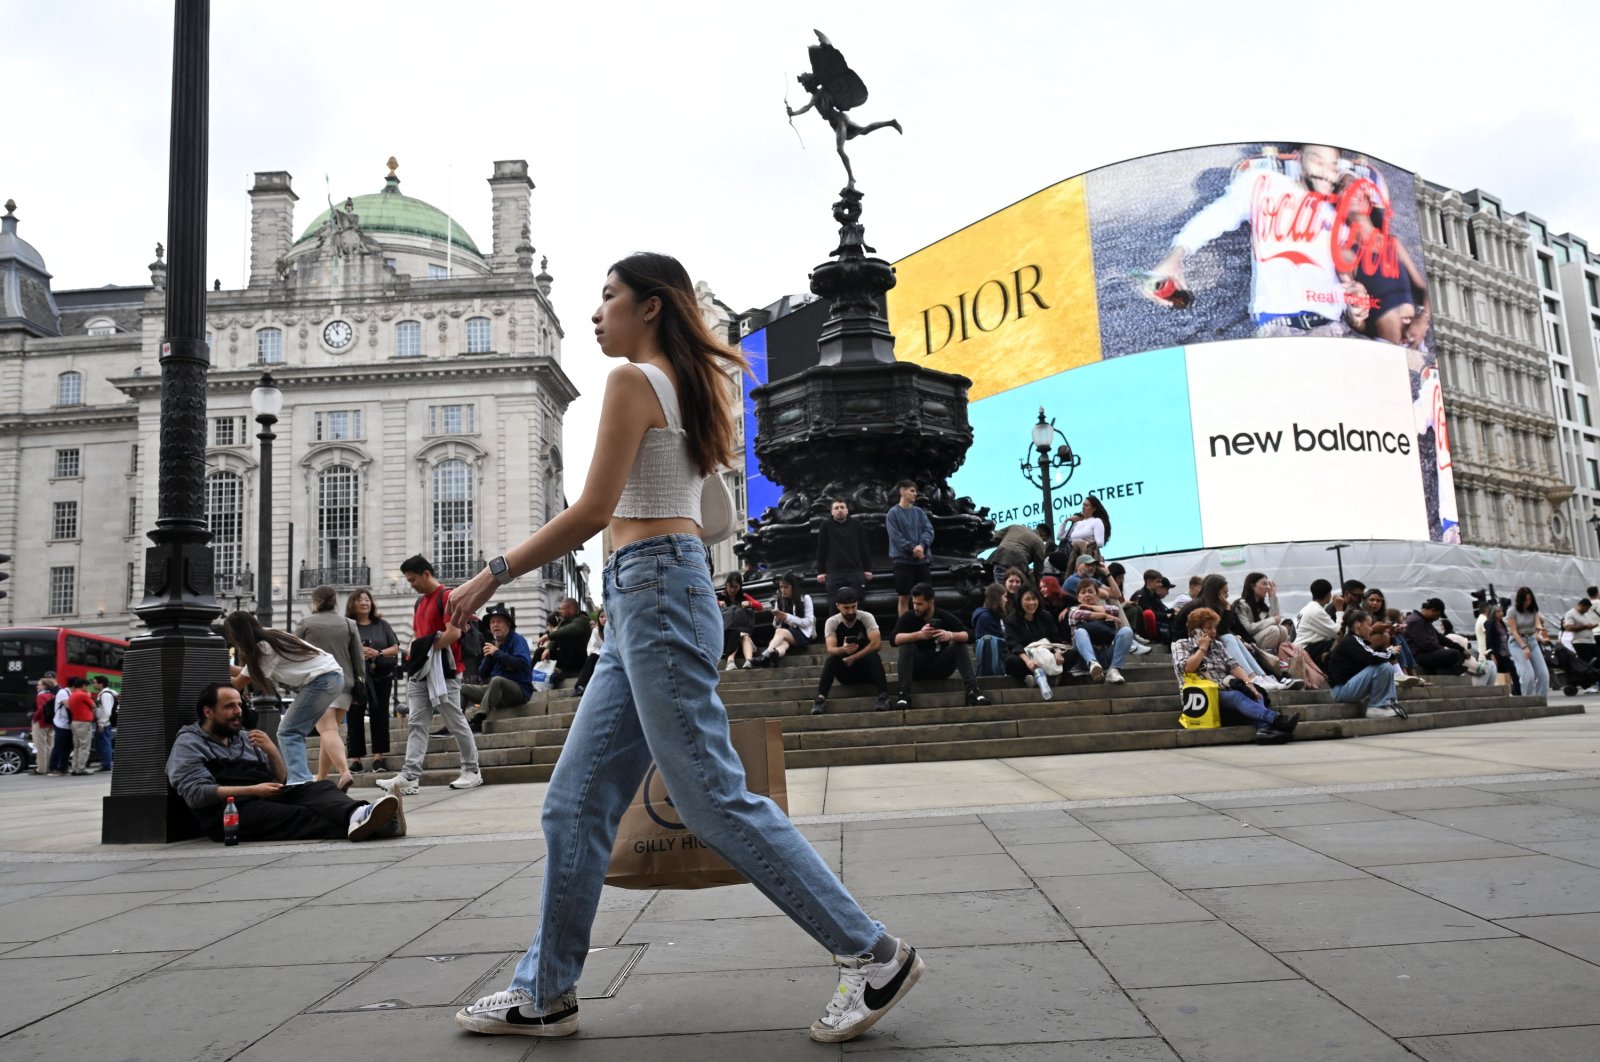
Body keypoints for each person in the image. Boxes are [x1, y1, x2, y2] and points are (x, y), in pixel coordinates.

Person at [443, 253, 921, 1043]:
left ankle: (873, 954)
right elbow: (707, 515)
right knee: (574, 801)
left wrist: (492, 572)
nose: (597, 314)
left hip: (656, 590)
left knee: (708, 795)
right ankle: (546, 990)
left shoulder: (635, 382)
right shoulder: (693, 388)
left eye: (608, 298)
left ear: (653, 306)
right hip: (654, 594)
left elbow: (597, 508)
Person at [166, 682, 403, 843]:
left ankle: (359, 813)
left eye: (239, 704)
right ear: (208, 712)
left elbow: (280, 779)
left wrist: (272, 752)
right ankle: (381, 825)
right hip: (229, 812)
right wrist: (253, 790)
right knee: (298, 815)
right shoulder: (189, 743)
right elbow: (196, 793)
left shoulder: (244, 738)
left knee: (320, 787)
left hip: (262, 795)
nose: (238, 711)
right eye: (229, 706)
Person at [377, 555, 484, 795]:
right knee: (417, 722)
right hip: (423, 670)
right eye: (408, 580)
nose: (411, 584)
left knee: (454, 719)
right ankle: (410, 776)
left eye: (413, 579)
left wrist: (423, 650)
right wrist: (420, 649)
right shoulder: (420, 603)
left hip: (444, 670)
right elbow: (423, 635)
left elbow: (453, 633)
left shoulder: (447, 597)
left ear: (426, 573)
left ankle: (472, 769)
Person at [221, 610, 346, 787]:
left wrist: (210, 667)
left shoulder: (263, 648)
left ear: (237, 634)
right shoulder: (270, 637)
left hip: (322, 680)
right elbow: (244, 674)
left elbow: (238, 684)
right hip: (331, 677)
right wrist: (220, 664)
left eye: (232, 636)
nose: (232, 641)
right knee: (295, 731)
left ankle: (300, 782)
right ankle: (302, 780)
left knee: (289, 731)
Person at [1173, 608, 1298, 742]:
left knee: (1255, 693)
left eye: (1214, 627)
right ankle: (1277, 719)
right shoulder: (1181, 645)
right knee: (1235, 696)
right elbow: (1187, 667)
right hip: (1202, 695)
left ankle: (1264, 729)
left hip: (1224, 690)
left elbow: (1233, 666)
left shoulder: (1218, 645)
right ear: (1196, 631)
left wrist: (1250, 685)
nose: (1214, 631)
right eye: (1209, 628)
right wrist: (1202, 648)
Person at [294, 584, 365, 791]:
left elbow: (294, 654)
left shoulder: (306, 623)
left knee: (327, 729)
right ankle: (323, 777)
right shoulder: (349, 624)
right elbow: (358, 659)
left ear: (315, 602)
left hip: (318, 683)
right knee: (330, 730)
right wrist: (360, 682)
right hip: (345, 684)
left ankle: (344, 772)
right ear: (336, 601)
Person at [891, 581, 988, 710]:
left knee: (959, 645)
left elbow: (970, 636)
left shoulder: (943, 615)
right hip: (917, 668)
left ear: (931, 602)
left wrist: (950, 635)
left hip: (940, 666)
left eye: (919, 604)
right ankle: (904, 695)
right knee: (906, 645)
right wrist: (919, 635)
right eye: (914, 603)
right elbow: (893, 640)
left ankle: (973, 691)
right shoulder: (909, 617)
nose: (915, 607)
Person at [813, 586, 890, 714]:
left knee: (872, 655)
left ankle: (884, 697)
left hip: (867, 670)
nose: (850, 611)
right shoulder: (832, 622)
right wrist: (843, 650)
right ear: (838, 606)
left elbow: (877, 644)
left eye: (853, 607)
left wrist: (853, 657)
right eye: (846, 608)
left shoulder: (866, 617)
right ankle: (820, 699)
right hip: (846, 672)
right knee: (831, 660)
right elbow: (830, 649)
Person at [348, 587, 399, 773]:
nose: (364, 602)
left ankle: (379, 758)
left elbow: (395, 648)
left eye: (367, 599)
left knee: (380, 715)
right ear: (352, 604)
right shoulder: (349, 626)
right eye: (359, 599)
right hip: (358, 678)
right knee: (355, 716)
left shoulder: (382, 625)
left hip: (381, 676)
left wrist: (377, 652)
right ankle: (356, 759)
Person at [462, 603, 534, 731]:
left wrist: (497, 653)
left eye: (499, 622)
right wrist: (490, 656)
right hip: (496, 691)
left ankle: (478, 720)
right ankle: (457, 723)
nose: (495, 625)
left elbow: (522, 664)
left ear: (508, 625)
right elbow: (482, 674)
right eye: (492, 622)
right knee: (463, 689)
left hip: (519, 691)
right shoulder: (493, 645)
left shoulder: (517, 640)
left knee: (497, 680)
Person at [1326, 609, 1408, 718]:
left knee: (1385, 666)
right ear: (1358, 625)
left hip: (1347, 688)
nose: (1371, 629)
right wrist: (1389, 652)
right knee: (1383, 667)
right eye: (1369, 625)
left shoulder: (1355, 640)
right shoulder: (1351, 641)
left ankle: (1387, 704)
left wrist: (1388, 653)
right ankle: (1377, 706)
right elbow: (1372, 657)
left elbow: (1372, 656)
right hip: (1341, 691)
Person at [1005, 586, 1072, 699]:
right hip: (1027, 659)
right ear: (1020, 600)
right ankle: (1047, 678)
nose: (1031, 603)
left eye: (1034, 599)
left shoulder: (1046, 616)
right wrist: (1028, 661)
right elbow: (1014, 644)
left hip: (1047, 656)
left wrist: (1057, 653)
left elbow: (1055, 639)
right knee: (1011, 662)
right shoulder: (1011, 620)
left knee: (1073, 654)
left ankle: (1042, 679)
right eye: (1027, 599)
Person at [1068, 580, 1135, 684]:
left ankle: (1114, 669)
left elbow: (1115, 610)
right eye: (1083, 592)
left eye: (1090, 591)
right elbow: (1079, 615)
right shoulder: (1073, 610)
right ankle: (1093, 664)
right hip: (1084, 659)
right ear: (1078, 597)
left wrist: (1090, 607)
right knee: (1080, 632)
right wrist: (1104, 616)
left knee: (1127, 631)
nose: (1087, 595)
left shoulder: (1108, 608)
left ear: (1097, 595)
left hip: (1105, 655)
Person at [886, 480, 934, 615]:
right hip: (902, 561)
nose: (915, 494)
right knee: (903, 597)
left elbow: (928, 530)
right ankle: (904, 629)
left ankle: (930, 627)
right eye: (912, 491)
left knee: (928, 596)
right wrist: (914, 548)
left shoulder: (919, 512)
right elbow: (896, 537)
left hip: (922, 561)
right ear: (902, 491)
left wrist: (922, 546)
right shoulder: (893, 513)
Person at [815, 497, 874, 601]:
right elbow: (821, 549)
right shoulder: (825, 526)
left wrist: (867, 569)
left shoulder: (857, 525)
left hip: (854, 571)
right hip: (834, 572)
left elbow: (864, 548)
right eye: (836, 508)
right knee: (834, 604)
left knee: (858, 603)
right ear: (832, 511)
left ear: (847, 510)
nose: (839, 510)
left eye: (842, 507)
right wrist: (820, 571)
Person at [759, 572, 816, 667]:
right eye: (781, 587)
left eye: (786, 587)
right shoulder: (780, 600)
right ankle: (775, 654)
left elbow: (809, 622)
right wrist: (777, 619)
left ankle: (765, 655)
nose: (783, 590)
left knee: (780, 632)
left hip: (803, 634)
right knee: (783, 643)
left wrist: (787, 617)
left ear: (793, 586)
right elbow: (775, 625)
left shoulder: (805, 598)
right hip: (788, 634)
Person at [1507, 586, 1551, 697]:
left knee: (1543, 674)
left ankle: (1541, 700)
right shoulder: (1512, 611)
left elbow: (1537, 624)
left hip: (1532, 641)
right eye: (1525, 600)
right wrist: (1523, 647)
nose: (1528, 602)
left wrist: (1541, 631)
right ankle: (1529, 701)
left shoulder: (1534, 609)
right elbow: (1514, 632)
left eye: (1530, 599)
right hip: (1517, 642)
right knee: (1528, 675)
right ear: (1520, 600)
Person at [1403, 599, 1468, 675]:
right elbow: (1426, 645)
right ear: (1432, 610)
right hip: (1418, 656)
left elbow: (1441, 638)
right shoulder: (1415, 621)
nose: (1437, 619)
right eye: (1437, 615)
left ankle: (1443, 670)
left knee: (1459, 654)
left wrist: (1460, 648)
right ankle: (1444, 671)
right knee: (1455, 655)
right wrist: (1442, 650)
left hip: (1426, 654)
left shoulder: (1424, 621)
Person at [1233, 572, 1292, 654]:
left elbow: (1276, 620)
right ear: (1253, 586)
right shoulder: (1241, 604)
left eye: (1267, 584)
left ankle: (1282, 658)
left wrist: (1272, 597)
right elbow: (1248, 628)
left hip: (1260, 637)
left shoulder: (1261, 606)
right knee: (1273, 630)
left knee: (1283, 629)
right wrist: (1272, 620)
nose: (1267, 587)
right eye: (1264, 584)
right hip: (1248, 641)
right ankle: (1266, 659)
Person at [540, 598, 593, 687]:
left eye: (563, 609)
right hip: (566, 659)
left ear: (571, 609)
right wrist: (548, 649)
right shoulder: (563, 621)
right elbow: (556, 638)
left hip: (579, 660)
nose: (560, 611)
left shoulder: (582, 620)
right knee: (540, 652)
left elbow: (566, 630)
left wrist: (548, 636)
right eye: (560, 609)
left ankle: (571, 672)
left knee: (566, 636)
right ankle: (533, 678)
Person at [719, 571, 762, 670]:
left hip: (742, 633)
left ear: (740, 586)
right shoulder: (720, 597)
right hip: (727, 634)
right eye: (730, 586)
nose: (733, 590)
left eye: (736, 587)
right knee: (736, 634)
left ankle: (748, 661)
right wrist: (718, 603)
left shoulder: (744, 596)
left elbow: (759, 606)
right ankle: (730, 661)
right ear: (726, 584)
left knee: (744, 636)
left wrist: (750, 604)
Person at [1293, 579, 1340, 667]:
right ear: (1328, 594)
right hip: (1309, 649)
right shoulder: (1317, 611)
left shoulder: (1307, 608)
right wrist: (1339, 610)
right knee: (1343, 644)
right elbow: (1339, 633)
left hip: (1302, 647)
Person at [971, 583, 1009, 677]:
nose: (1006, 600)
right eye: (1004, 596)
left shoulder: (992, 615)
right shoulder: (986, 617)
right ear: (998, 598)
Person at [1058, 495, 1110, 563]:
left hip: (1089, 557)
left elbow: (1100, 543)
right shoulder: (1077, 523)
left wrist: (1082, 544)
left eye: (1086, 505)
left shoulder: (1096, 521)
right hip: (1074, 558)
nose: (1083, 507)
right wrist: (1066, 520)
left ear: (1094, 509)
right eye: (1083, 505)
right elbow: (1060, 537)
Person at [1131, 569, 1175, 645]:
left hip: (1156, 627)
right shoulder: (1141, 595)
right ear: (1149, 582)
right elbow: (1150, 614)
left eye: (1161, 582)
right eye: (1158, 582)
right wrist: (1166, 615)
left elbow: (1160, 611)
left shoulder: (1154, 595)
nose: (1161, 584)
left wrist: (1172, 611)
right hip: (1144, 632)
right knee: (1149, 614)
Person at [64, 677, 96, 775]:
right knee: (84, 746)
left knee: (77, 747)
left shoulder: (72, 694)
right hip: (84, 722)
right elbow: (94, 705)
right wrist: (89, 696)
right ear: (83, 686)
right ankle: (81, 768)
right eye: (87, 686)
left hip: (75, 722)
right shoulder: (83, 694)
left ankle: (75, 768)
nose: (88, 689)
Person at [573, 608, 605, 696]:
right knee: (593, 657)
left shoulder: (616, 630)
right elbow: (591, 648)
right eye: (601, 616)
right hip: (603, 656)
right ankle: (580, 686)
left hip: (616, 657)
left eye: (606, 616)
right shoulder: (596, 631)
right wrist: (602, 653)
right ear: (598, 618)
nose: (604, 619)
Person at [1562, 597, 1599, 665]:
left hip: (1591, 641)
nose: (1586, 611)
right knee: (1586, 662)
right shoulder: (1570, 614)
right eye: (1586, 608)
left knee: (1596, 661)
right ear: (1581, 605)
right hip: (1580, 642)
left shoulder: (1585, 614)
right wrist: (1585, 626)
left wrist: (1591, 626)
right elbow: (1569, 628)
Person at [31, 676, 56, 777]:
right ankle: (49, 766)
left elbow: (41, 709)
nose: (37, 685)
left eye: (39, 684)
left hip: (41, 722)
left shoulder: (40, 695)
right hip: (51, 723)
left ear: (44, 686)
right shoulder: (52, 695)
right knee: (50, 746)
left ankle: (41, 769)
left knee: (40, 746)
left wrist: (34, 717)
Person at [91, 675, 116, 773]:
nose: (93, 684)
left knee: (104, 744)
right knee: (100, 744)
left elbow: (107, 711)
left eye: (95, 682)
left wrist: (101, 722)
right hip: (103, 723)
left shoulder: (105, 694)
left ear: (101, 684)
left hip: (104, 724)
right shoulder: (106, 693)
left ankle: (106, 764)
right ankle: (105, 763)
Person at [48, 678, 72, 776]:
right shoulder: (63, 692)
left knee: (67, 747)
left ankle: (63, 767)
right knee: (58, 746)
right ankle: (53, 768)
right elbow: (68, 705)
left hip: (68, 724)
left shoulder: (71, 693)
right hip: (60, 723)